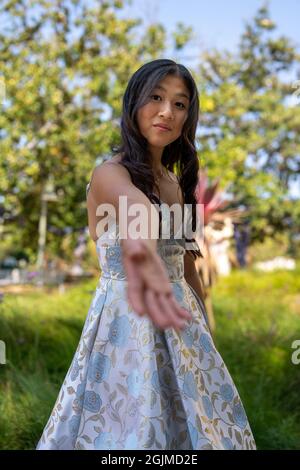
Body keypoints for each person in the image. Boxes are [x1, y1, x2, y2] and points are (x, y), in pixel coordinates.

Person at [36, 59, 256, 450]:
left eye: (180, 104)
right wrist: (142, 250)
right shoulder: (109, 174)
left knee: (191, 430)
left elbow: (189, 271)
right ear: (133, 103)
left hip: (183, 328)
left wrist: (207, 335)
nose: (166, 112)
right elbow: (137, 211)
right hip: (126, 325)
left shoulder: (179, 185)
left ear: (188, 116)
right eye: (155, 97)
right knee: (127, 430)